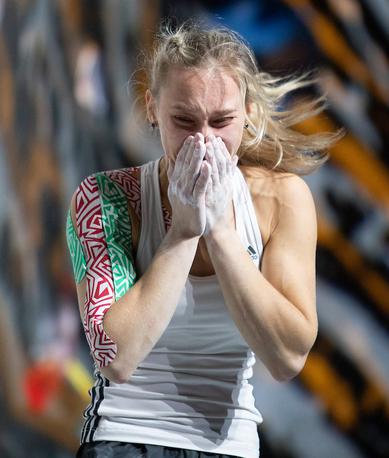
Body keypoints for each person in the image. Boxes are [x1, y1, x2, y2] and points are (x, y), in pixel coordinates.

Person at [66, 21, 343, 458]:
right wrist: (182, 232)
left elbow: (287, 358)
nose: (204, 139)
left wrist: (220, 231)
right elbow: (116, 358)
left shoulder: (281, 199)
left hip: (229, 447)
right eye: (184, 120)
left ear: (248, 113)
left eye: (222, 121)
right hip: (124, 440)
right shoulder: (106, 198)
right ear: (152, 108)